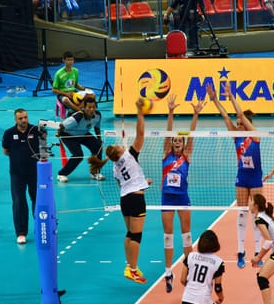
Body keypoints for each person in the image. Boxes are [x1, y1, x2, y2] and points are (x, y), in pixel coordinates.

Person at [208, 83, 264, 269]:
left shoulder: (255, 136)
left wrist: (231, 96)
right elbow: (226, 116)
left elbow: (239, 115)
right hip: (242, 178)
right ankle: (241, 251)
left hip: (256, 179)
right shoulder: (236, 136)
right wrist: (215, 100)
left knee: (257, 214)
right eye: (238, 124)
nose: (238, 125)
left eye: (241, 124)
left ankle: (257, 251)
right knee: (241, 213)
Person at [162, 94, 204, 293]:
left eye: (180, 140)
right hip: (167, 199)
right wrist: (170, 111)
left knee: (187, 236)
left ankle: (193, 270)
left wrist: (195, 115)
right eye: (175, 140)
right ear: (171, 143)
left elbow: (192, 134)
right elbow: (168, 132)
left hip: (183, 198)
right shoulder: (165, 155)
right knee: (168, 236)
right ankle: (168, 272)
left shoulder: (186, 156)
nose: (177, 142)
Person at [105, 99, 151, 284]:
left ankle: (130, 266)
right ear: (119, 151)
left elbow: (124, 183)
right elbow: (141, 134)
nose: (121, 145)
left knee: (130, 235)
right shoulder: (129, 154)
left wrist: (142, 181)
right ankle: (132, 269)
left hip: (125, 199)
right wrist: (140, 112)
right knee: (136, 236)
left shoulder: (115, 167)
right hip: (136, 199)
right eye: (118, 145)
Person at [179, 229, 235, 304]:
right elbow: (218, 287)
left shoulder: (190, 256)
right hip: (203, 302)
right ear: (215, 244)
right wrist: (221, 298)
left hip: (187, 299)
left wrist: (192, 288)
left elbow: (183, 280)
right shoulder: (218, 262)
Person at [2, 108, 41, 244]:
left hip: (35, 173)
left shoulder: (36, 131)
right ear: (15, 120)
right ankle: (21, 232)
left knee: (38, 200)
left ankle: (41, 227)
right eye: (20, 118)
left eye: (25, 117)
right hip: (17, 174)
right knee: (19, 202)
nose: (24, 120)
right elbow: (6, 151)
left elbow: (44, 148)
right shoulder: (9, 133)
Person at [56, 97, 105, 183]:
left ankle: (95, 172)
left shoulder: (98, 116)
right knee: (78, 155)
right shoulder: (78, 117)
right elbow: (62, 125)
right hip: (69, 135)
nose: (92, 109)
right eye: (89, 107)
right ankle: (61, 174)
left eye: (93, 107)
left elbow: (97, 127)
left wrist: (99, 139)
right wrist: (59, 133)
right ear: (84, 108)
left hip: (83, 133)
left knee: (98, 147)